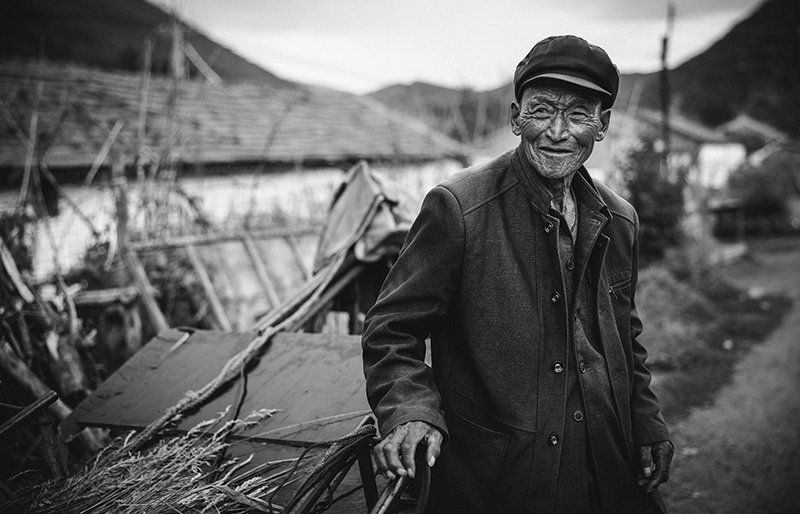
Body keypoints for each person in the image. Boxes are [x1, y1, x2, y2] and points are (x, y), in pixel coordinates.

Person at [361, 35, 674, 513]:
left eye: (578, 114)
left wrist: (645, 420)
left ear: (603, 125)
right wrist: (408, 411)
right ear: (514, 117)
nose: (557, 131)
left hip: (607, 460)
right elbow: (391, 330)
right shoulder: (459, 209)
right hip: (499, 477)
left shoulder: (620, 218)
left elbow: (625, 334)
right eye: (542, 110)